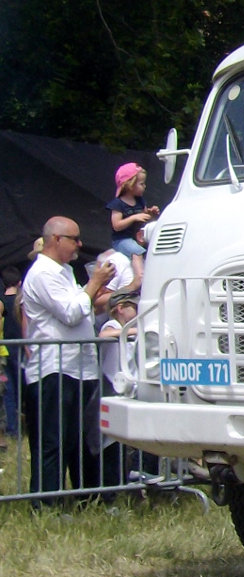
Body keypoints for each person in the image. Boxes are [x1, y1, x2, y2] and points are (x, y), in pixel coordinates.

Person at [21, 216, 115, 504]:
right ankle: (46, 501)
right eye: (74, 238)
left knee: (77, 441)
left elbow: (82, 311)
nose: (80, 244)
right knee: (54, 441)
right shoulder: (43, 274)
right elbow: (71, 313)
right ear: (56, 240)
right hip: (55, 368)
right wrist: (94, 283)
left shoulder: (63, 271)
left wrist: (98, 293)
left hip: (78, 368)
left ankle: (83, 496)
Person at [99, 288, 146, 484]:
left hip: (128, 389)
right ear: (120, 308)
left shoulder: (128, 329)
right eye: (133, 307)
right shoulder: (113, 324)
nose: (137, 312)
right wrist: (137, 330)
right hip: (112, 388)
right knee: (112, 443)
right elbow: (104, 335)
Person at [107, 162, 159, 282]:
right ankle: (140, 277)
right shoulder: (118, 204)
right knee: (136, 251)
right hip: (122, 240)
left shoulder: (140, 201)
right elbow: (116, 226)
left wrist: (151, 213)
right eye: (141, 184)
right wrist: (133, 218)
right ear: (130, 184)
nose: (144, 186)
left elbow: (145, 216)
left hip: (138, 238)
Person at [1, 266, 20, 442]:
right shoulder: (20, 302)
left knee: (9, 391)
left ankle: (12, 428)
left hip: (6, 349)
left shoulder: (2, 303)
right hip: (23, 347)